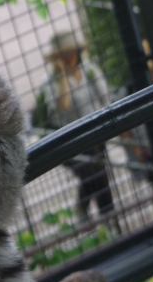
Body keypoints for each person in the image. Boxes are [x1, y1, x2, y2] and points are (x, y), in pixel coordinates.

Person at [32, 30, 116, 223]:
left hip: (94, 135)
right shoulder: (50, 82)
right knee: (94, 171)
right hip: (65, 141)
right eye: (63, 54)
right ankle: (110, 218)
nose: (68, 57)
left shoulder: (90, 71)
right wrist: (62, 76)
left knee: (96, 171)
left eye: (71, 52)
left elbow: (106, 100)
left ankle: (92, 212)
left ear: (78, 51)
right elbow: (64, 105)